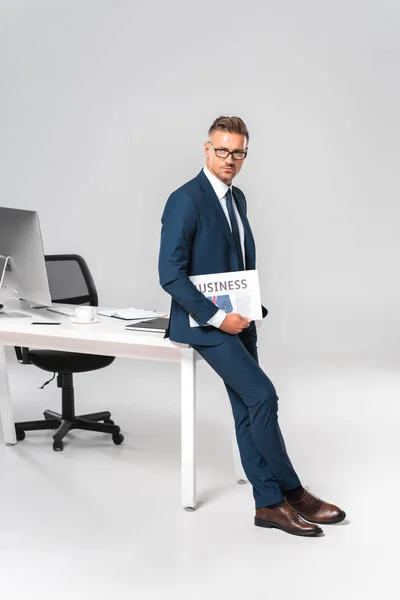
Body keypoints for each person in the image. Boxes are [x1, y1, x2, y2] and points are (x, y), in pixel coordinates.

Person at [158, 116, 345, 536]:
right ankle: (293, 492)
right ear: (207, 149)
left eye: (238, 152)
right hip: (205, 323)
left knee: (247, 410)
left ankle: (268, 506)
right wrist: (220, 317)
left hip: (241, 318)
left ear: (245, 154)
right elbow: (170, 274)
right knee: (263, 396)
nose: (230, 159)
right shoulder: (184, 200)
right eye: (222, 150)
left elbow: (233, 260)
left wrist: (246, 308)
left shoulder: (237, 197)